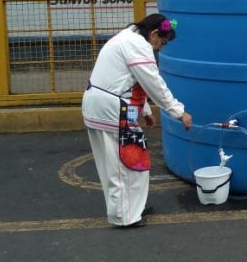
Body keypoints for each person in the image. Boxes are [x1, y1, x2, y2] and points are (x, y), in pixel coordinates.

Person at [82, 13, 193, 228]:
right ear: (153, 34)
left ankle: (129, 209)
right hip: (114, 109)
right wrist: (179, 111)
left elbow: (128, 80)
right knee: (128, 163)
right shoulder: (138, 46)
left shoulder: (125, 37)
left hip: (102, 105)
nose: (160, 48)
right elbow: (153, 82)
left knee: (114, 164)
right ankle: (126, 216)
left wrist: (144, 109)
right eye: (162, 41)